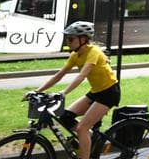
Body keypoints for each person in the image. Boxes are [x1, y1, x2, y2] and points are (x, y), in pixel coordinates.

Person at [28, 21, 120, 159]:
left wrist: (63, 93)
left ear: (83, 39)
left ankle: (85, 145)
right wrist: (37, 91)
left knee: (82, 128)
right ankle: (89, 139)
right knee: (65, 117)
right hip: (96, 92)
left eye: (71, 39)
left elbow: (81, 76)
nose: (68, 42)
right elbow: (59, 75)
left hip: (109, 93)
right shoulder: (75, 55)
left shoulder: (93, 52)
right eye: (67, 39)